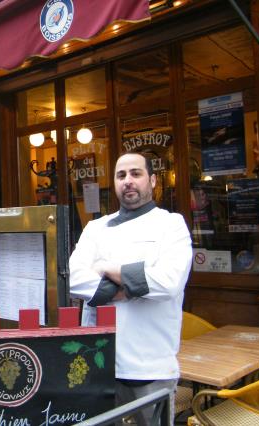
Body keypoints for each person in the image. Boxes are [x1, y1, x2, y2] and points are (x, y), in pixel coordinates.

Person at [69, 152, 192, 426]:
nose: (128, 181)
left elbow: (168, 282)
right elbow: (75, 279)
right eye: (121, 175)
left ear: (153, 180)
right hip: (99, 363)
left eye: (136, 174)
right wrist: (128, 289)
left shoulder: (171, 225)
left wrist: (105, 268)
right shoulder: (94, 228)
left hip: (150, 366)